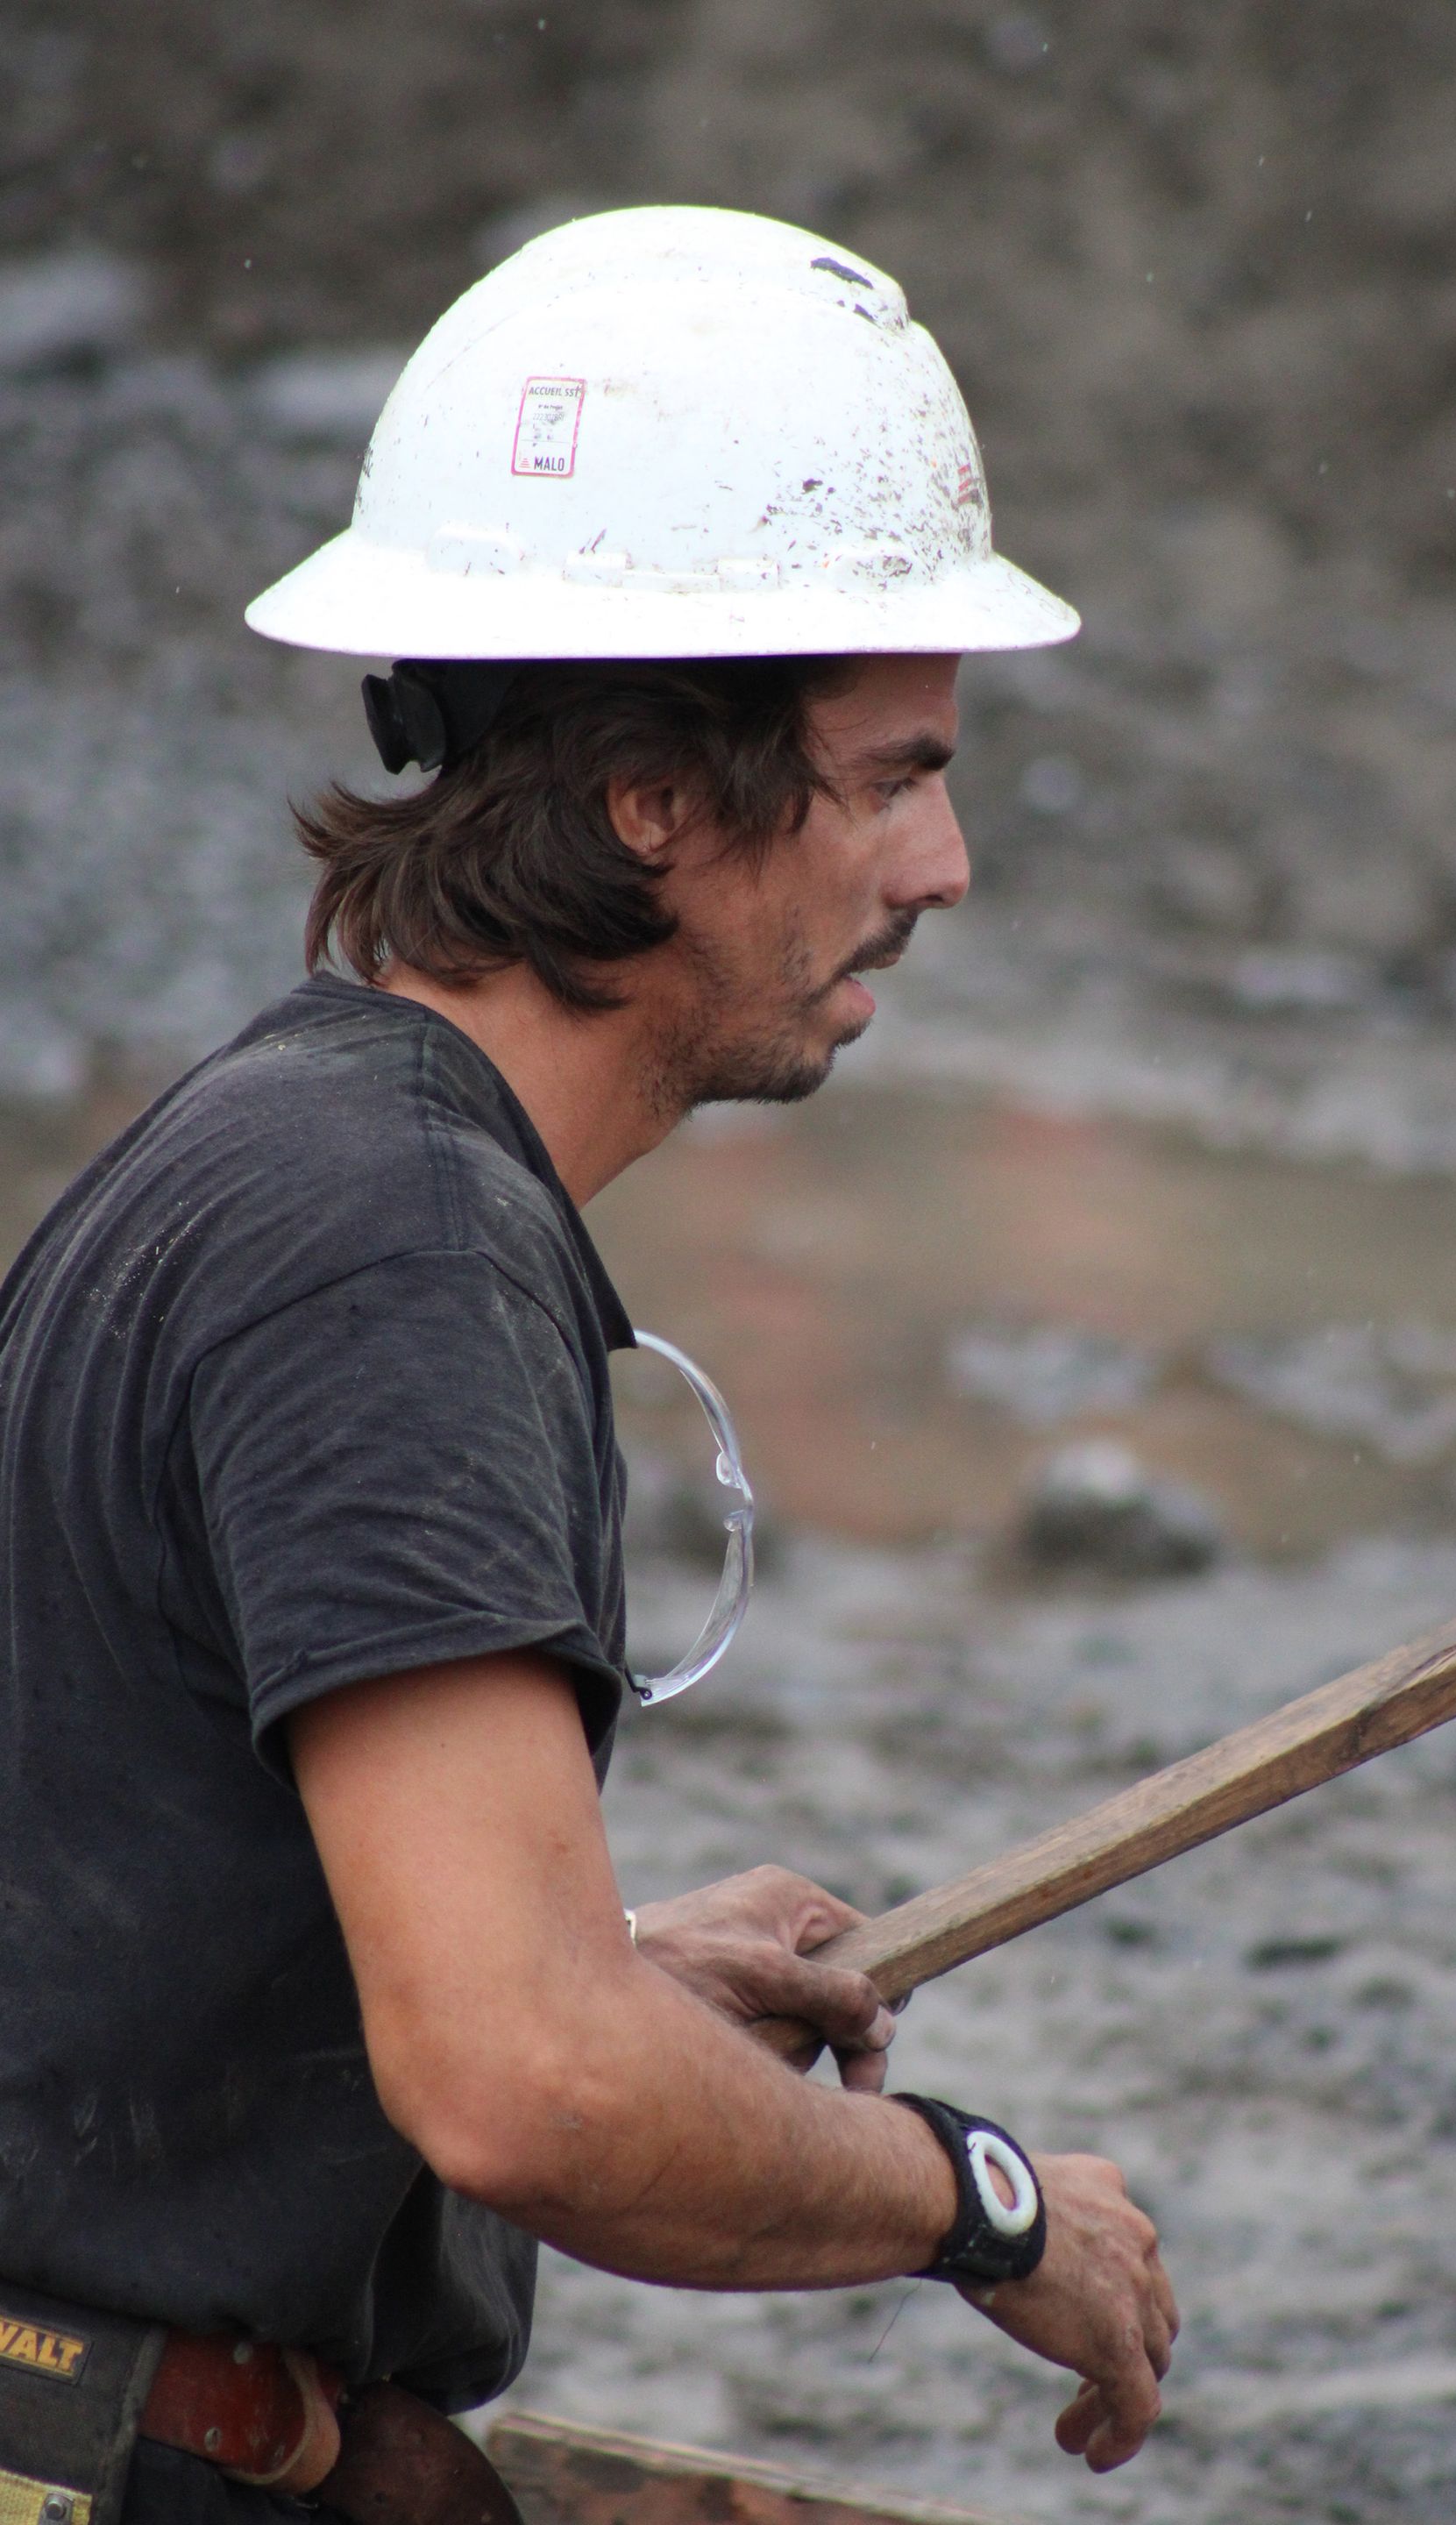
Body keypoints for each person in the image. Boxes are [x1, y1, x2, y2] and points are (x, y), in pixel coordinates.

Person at [0, 208, 1177, 2525]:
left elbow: (112, 1897)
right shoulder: (390, 1254)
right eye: (890, 771)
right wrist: (984, 2202)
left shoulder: (278, 1149)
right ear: (653, 797)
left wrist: (594, 1954)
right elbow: (525, 2090)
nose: (944, 862)